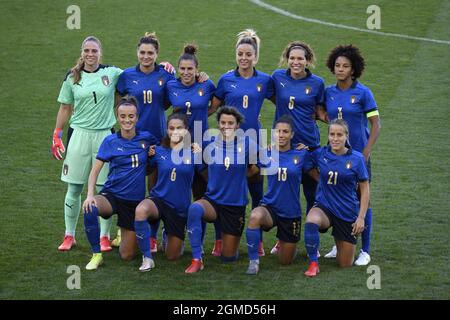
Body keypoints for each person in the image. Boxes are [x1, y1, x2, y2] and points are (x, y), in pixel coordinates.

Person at [52, 36, 122, 252]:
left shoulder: (112, 73)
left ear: (100, 53)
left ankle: (104, 236)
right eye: (86, 50)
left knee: (103, 188)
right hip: (79, 135)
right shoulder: (72, 77)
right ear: (81, 53)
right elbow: (65, 107)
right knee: (74, 187)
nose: (90, 54)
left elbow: (140, 72)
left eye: (94, 51)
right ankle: (69, 235)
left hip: (104, 136)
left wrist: (163, 66)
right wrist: (57, 134)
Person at [208, 29, 274, 256]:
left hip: (254, 142)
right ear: (235, 55)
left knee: (256, 192)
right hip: (226, 144)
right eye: (240, 54)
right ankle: (219, 239)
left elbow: (283, 103)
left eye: (248, 55)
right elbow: (212, 108)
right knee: (222, 193)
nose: (244, 58)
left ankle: (258, 240)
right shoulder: (226, 79)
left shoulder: (265, 80)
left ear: (255, 57)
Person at [115, 32, 176, 253]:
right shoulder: (126, 75)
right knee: (131, 184)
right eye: (142, 52)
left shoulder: (166, 75)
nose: (146, 56)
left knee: (156, 187)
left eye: (150, 53)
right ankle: (126, 230)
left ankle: (151, 235)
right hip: (133, 140)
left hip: (159, 139)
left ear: (157, 54)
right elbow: (119, 104)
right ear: (137, 53)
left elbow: (172, 100)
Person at [82, 97, 158, 270]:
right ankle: (97, 254)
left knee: (127, 256)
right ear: (117, 117)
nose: (127, 120)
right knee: (89, 208)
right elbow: (95, 170)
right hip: (112, 196)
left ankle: (135, 236)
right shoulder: (110, 141)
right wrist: (90, 196)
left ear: (137, 117)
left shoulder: (147, 139)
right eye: (123, 116)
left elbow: (159, 155)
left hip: (133, 202)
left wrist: (152, 157)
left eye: (131, 116)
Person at [322, 44, 381, 266]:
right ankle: (339, 245)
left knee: (363, 198)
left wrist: (366, 151)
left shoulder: (363, 93)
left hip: (358, 157)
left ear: (353, 69)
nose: (340, 69)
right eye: (337, 65)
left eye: (345, 66)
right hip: (335, 154)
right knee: (338, 197)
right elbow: (323, 114)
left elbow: (376, 124)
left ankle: (365, 250)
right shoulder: (328, 92)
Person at [184, 107, 259, 273]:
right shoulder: (208, 142)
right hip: (213, 201)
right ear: (218, 124)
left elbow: (255, 169)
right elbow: (201, 165)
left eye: (231, 123)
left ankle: (227, 239)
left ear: (238, 125)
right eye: (223, 122)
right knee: (195, 208)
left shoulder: (248, 144)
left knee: (228, 257)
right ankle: (197, 259)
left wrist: (239, 176)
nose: (226, 126)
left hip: (234, 204)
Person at [269, 41, 326, 255]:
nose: (296, 62)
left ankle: (313, 244)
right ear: (287, 58)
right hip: (284, 148)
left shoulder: (317, 83)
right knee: (285, 195)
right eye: (292, 58)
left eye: (300, 58)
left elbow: (319, 111)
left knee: (312, 195)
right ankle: (282, 240)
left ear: (307, 60)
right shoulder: (277, 77)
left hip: (309, 146)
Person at [133, 113, 204, 271]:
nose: (175, 132)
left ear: (187, 130)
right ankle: (147, 258)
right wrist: (148, 154)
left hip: (179, 208)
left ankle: (168, 234)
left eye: (179, 128)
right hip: (158, 201)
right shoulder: (158, 151)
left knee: (173, 256)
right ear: (167, 129)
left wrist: (201, 155)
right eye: (171, 128)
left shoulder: (193, 153)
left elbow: (207, 175)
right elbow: (146, 170)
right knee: (141, 210)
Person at [303, 119, 370, 277]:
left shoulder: (357, 158)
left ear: (346, 136)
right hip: (324, 207)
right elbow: (306, 163)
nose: (335, 138)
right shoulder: (321, 153)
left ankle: (339, 241)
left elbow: (365, 189)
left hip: (346, 211)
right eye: (332, 134)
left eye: (339, 135)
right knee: (311, 219)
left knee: (344, 264)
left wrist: (361, 218)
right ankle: (313, 263)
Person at [245, 115, 310, 275]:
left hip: (291, 212)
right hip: (270, 207)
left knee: (285, 262)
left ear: (292, 134)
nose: (281, 135)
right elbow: (251, 172)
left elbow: (315, 174)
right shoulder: (266, 153)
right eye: (278, 131)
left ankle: (285, 242)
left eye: (285, 132)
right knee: (255, 216)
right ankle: (253, 261)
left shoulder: (301, 155)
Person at [167, 43, 215, 201]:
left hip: (202, 142)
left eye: (190, 69)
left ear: (197, 69)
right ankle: (175, 223)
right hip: (179, 144)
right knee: (178, 187)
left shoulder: (206, 85)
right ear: (178, 69)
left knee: (201, 189)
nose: (186, 72)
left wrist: (202, 114)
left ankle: (197, 225)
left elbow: (217, 104)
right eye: (182, 69)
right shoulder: (171, 85)